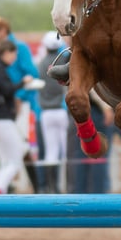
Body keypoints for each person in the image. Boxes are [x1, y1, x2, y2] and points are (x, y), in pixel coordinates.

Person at [0, 16, 42, 190]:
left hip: (20, 103)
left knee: (22, 149)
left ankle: (38, 188)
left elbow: (32, 74)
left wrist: (19, 95)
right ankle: (5, 188)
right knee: (9, 152)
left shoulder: (19, 48)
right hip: (5, 106)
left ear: (3, 30)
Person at [0, 39, 34, 194]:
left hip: (0, 120)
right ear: (6, 53)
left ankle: (0, 190)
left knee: (8, 160)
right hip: (2, 120)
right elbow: (8, 90)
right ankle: (0, 189)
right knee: (15, 160)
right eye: (13, 54)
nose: (14, 58)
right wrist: (23, 82)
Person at [38, 31, 70, 193]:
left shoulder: (41, 63)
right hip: (61, 110)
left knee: (51, 152)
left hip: (45, 112)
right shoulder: (63, 61)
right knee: (65, 150)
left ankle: (52, 188)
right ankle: (68, 187)